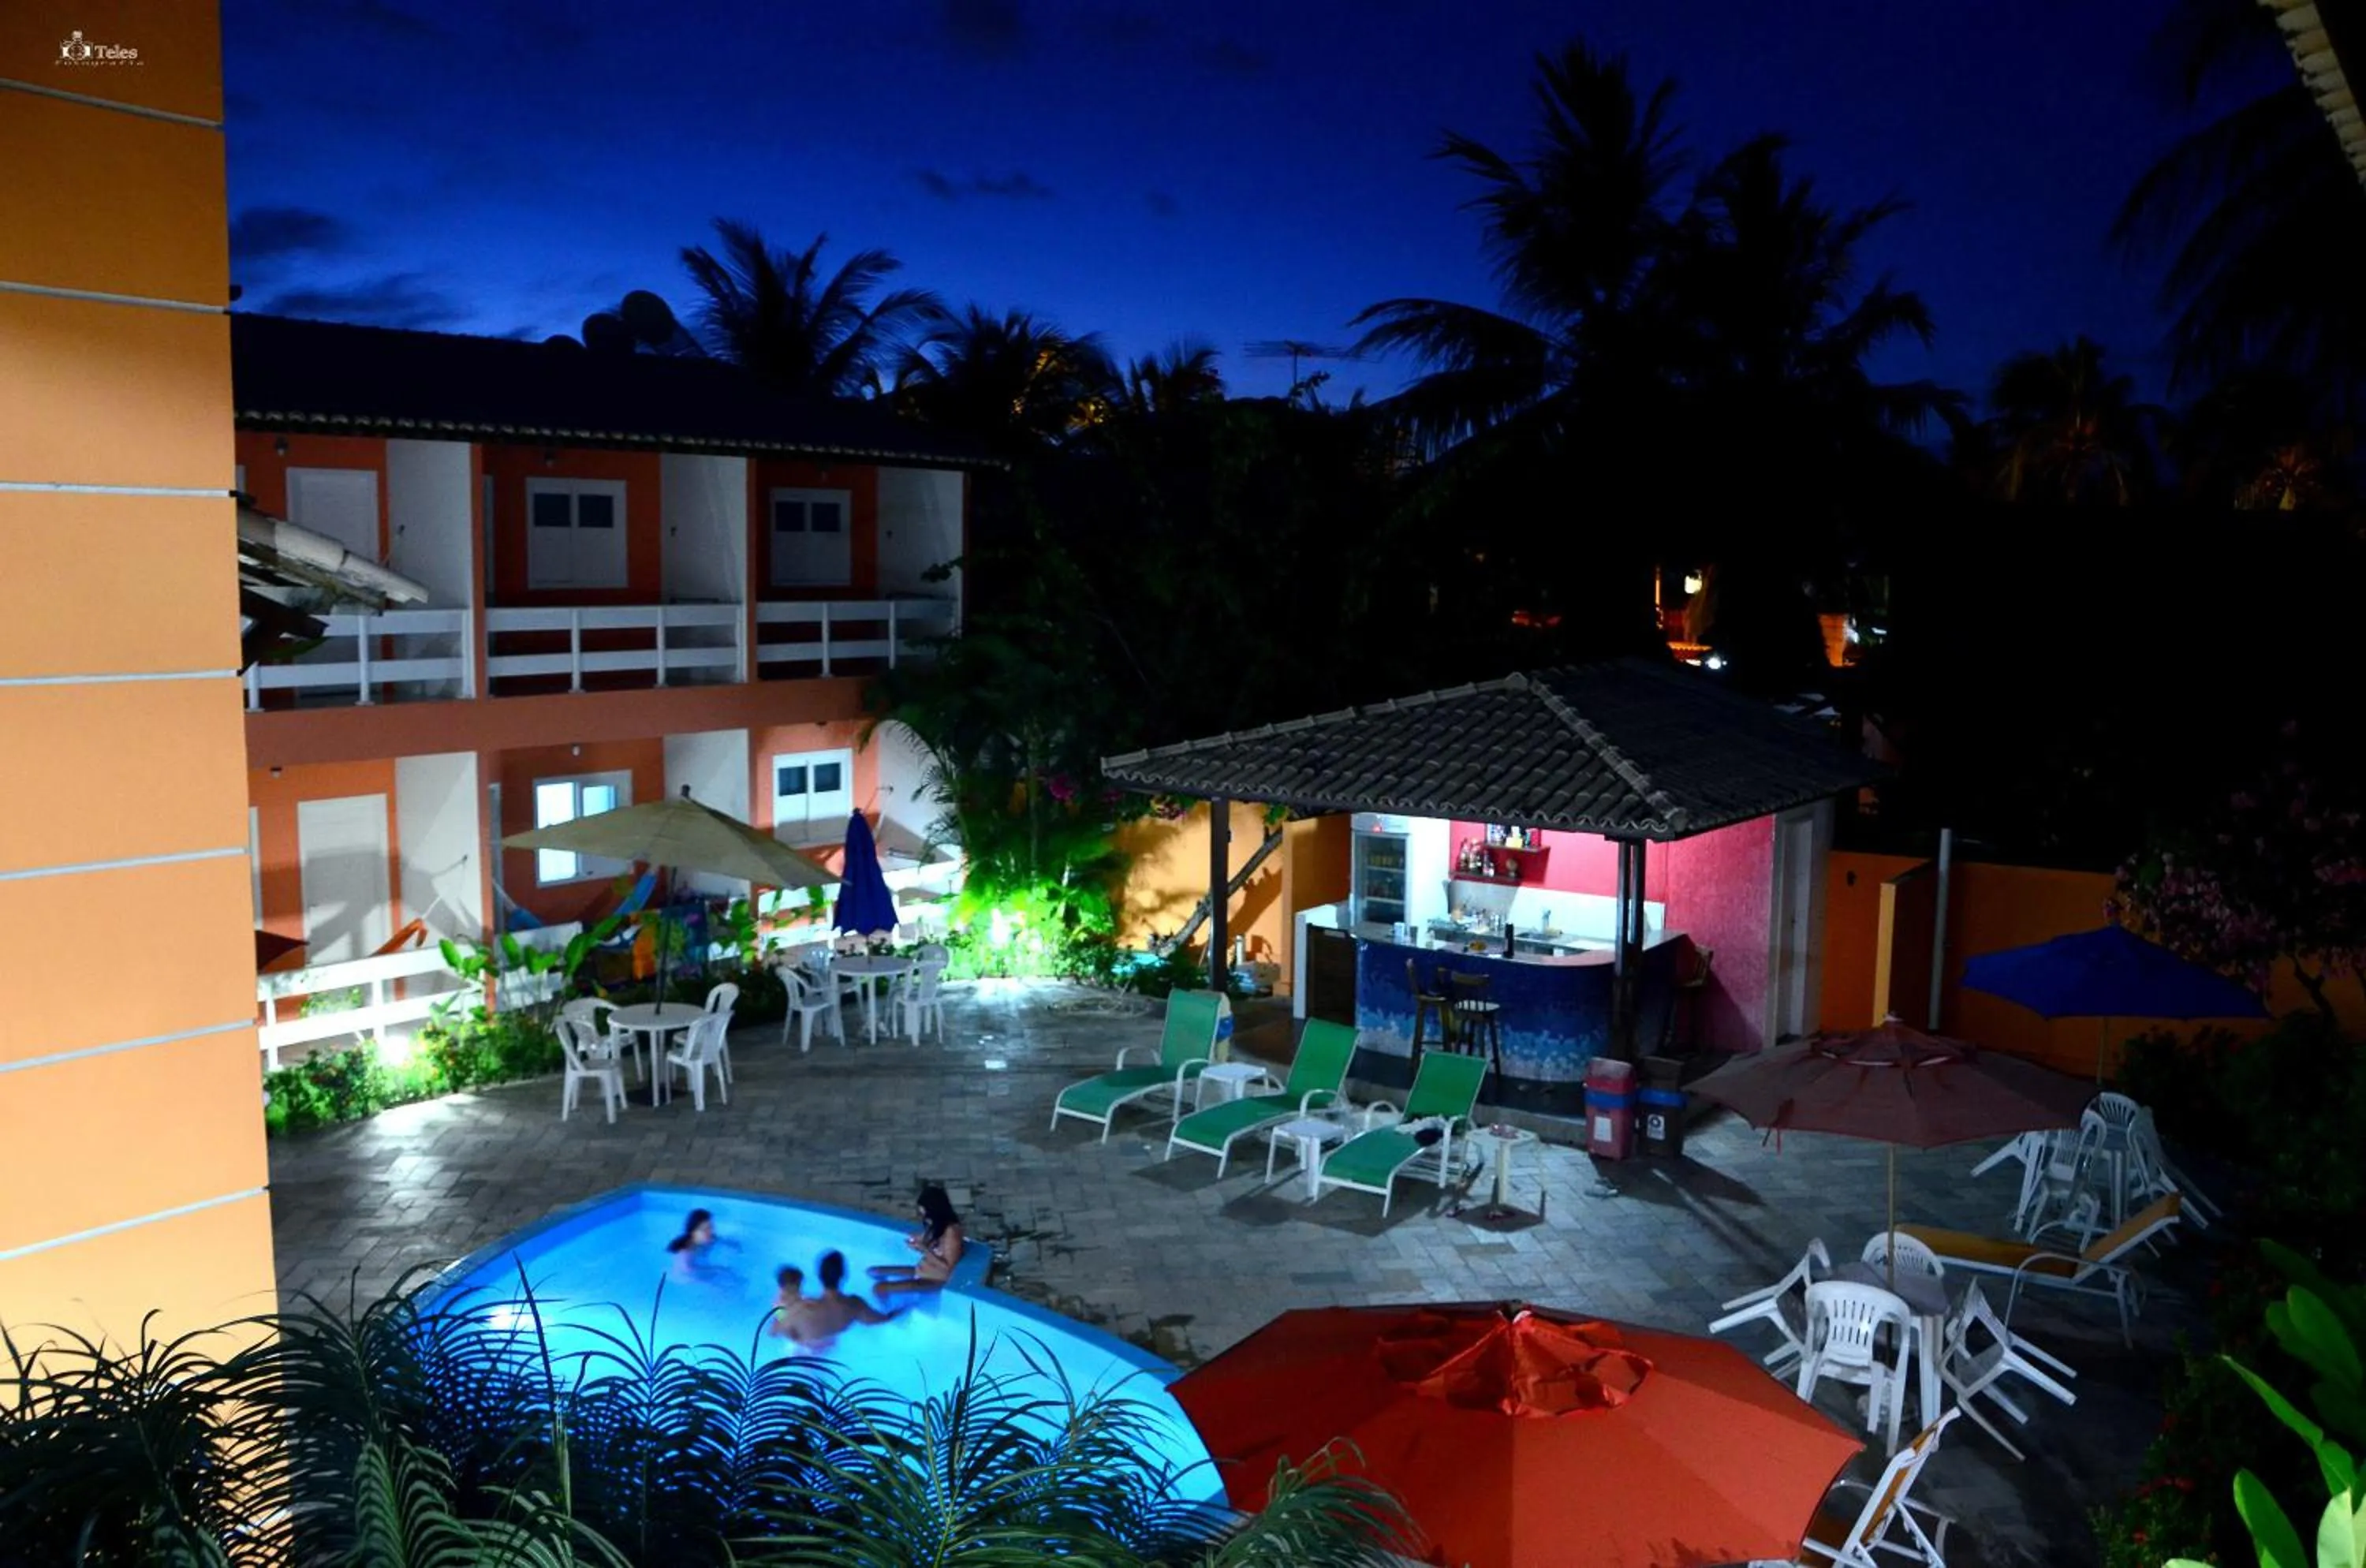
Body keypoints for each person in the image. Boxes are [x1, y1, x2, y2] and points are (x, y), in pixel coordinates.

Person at [782, 1250, 892, 1352]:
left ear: (819, 1276)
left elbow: (776, 1331)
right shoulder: (854, 1306)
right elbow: (879, 1319)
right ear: (844, 1275)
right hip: (828, 1348)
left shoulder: (804, 1309)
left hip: (803, 1349)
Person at [870, 1185, 964, 1298]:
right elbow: (930, 1242)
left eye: (925, 1213)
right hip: (924, 1269)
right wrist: (917, 1241)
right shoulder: (937, 1223)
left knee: (879, 1288)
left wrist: (924, 1249)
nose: (924, 1216)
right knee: (874, 1271)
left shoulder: (951, 1232)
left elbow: (948, 1268)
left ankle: (887, 1313)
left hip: (937, 1278)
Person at [665, 1208, 738, 1283]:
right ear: (693, 1232)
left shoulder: (706, 1238)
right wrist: (718, 1270)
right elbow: (688, 1272)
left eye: (711, 1227)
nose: (710, 1232)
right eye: (704, 1229)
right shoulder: (686, 1253)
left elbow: (721, 1240)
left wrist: (734, 1245)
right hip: (685, 1281)